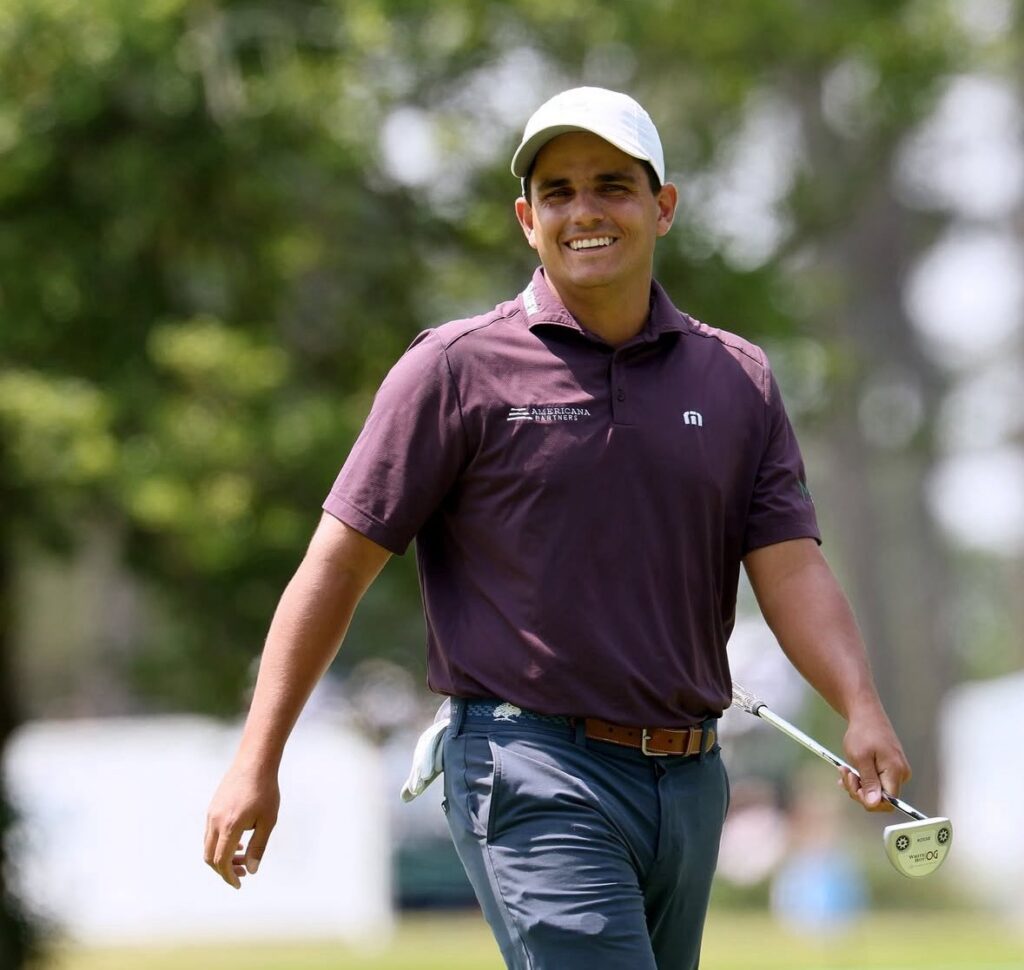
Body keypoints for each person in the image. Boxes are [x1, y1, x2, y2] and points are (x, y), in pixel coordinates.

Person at [204, 86, 911, 969]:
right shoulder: (454, 370)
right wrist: (257, 758)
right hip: (527, 765)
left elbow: (792, 568)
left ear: (663, 206)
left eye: (612, 186)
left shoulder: (736, 379)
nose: (584, 212)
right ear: (526, 220)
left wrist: (860, 705)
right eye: (558, 192)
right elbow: (336, 569)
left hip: (691, 781)